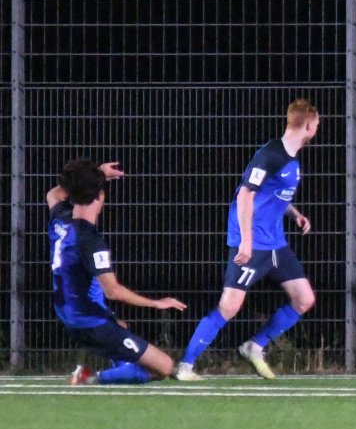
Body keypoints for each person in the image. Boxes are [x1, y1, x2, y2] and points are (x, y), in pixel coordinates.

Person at [175, 99, 320, 381]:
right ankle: (185, 366)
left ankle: (254, 346)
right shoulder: (271, 155)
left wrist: (295, 214)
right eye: (316, 126)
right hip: (253, 243)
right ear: (308, 126)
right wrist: (246, 241)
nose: (316, 131)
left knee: (304, 299)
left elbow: (274, 194)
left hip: (275, 243)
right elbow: (245, 194)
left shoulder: (291, 157)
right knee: (229, 306)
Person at [49, 158, 187, 385]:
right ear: (100, 196)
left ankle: (113, 368)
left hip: (69, 313)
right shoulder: (90, 240)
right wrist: (157, 303)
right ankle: (90, 379)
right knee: (164, 367)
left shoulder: (60, 218)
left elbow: (54, 194)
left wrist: (95, 175)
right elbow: (113, 291)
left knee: (120, 325)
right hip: (89, 323)